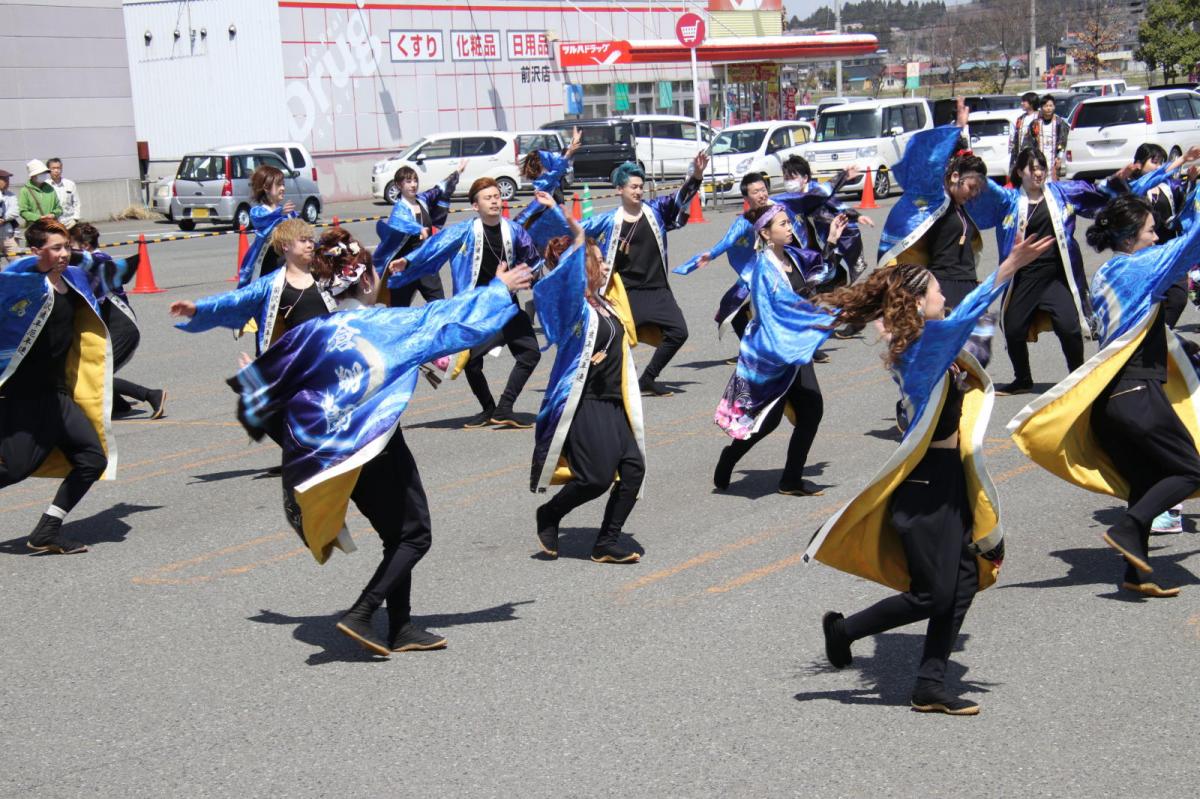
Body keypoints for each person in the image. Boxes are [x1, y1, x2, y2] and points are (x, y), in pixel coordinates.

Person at [228, 258, 532, 656]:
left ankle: (402, 627)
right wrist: (499, 290)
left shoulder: (314, 331)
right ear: (367, 279)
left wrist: (253, 377)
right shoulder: (381, 323)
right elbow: (443, 318)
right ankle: (362, 612)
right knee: (416, 535)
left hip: (345, 457)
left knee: (397, 536)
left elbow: (267, 379)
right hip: (379, 445)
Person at [808, 234, 1054, 715]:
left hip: (947, 477)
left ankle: (929, 684)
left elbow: (963, 332)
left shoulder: (926, 345)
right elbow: (966, 319)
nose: (946, 296)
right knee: (932, 593)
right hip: (925, 487)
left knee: (960, 586)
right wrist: (1007, 268)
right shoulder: (924, 347)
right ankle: (846, 630)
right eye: (938, 290)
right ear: (920, 303)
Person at [1009, 185, 1200, 598]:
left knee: (1146, 484)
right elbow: (1191, 246)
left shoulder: (1107, 273)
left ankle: (1135, 575)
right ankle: (1127, 529)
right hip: (1136, 394)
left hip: (1110, 401)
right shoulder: (1141, 267)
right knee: (1190, 470)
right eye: (1150, 230)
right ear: (1131, 237)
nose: (1155, 237)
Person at [969, 145, 1197, 395]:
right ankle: (1022, 379)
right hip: (1023, 276)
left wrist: (1179, 162)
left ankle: (1078, 376)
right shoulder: (1008, 201)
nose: (1038, 173)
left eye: (1042, 167)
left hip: (1057, 275)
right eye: (1032, 168)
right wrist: (970, 169)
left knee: (1070, 328)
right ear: (1019, 171)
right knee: (1013, 328)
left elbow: (1111, 192)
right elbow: (977, 193)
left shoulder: (1063, 192)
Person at [528, 194, 645, 564]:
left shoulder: (604, 301)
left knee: (632, 470)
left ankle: (605, 543)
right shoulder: (573, 307)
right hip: (585, 401)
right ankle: (550, 514)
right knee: (594, 478)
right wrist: (575, 230)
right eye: (598, 259)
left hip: (613, 399)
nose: (604, 262)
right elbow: (552, 284)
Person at [712, 204, 848, 496]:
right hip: (773, 353)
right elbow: (778, 310)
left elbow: (819, 276)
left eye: (789, 222)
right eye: (783, 224)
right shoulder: (762, 268)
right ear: (765, 233)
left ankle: (791, 480)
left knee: (811, 411)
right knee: (767, 421)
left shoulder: (794, 257)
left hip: (796, 348)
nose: (790, 228)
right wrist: (820, 320)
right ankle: (729, 457)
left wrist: (833, 240)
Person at [387, 177, 543, 429]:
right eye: (487, 198)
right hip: (476, 309)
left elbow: (533, 260)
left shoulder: (514, 231)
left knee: (530, 354)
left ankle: (504, 408)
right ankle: (488, 408)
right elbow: (436, 246)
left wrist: (533, 276)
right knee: (471, 361)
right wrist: (409, 261)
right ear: (475, 205)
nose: (494, 201)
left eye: (496, 196)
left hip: (506, 305)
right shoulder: (466, 231)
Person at [0, 219, 115, 554]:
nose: (64, 254)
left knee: (93, 459)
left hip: (58, 394)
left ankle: (47, 530)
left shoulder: (75, 279)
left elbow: (106, 274)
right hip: (23, 395)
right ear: (37, 252)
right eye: (56, 248)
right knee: (17, 468)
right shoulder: (21, 287)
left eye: (66, 246)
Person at [578, 153, 708, 396]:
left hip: (658, 289)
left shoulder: (655, 210)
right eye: (633, 187)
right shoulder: (608, 220)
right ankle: (592, 384)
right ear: (619, 189)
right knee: (613, 340)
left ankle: (647, 378)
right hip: (626, 293)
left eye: (641, 186)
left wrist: (697, 176)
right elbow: (575, 231)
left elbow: (681, 198)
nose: (638, 191)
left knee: (679, 332)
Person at [69, 223, 165, 419]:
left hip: (123, 327)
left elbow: (88, 264)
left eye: (70, 246)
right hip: (111, 326)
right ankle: (118, 406)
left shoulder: (100, 262)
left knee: (97, 374)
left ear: (85, 246)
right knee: (91, 369)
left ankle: (151, 394)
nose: (68, 252)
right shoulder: (88, 263)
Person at [373, 158, 466, 308]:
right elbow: (400, 221)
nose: (413, 185)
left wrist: (457, 172)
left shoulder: (423, 200)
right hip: (403, 265)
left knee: (439, 305)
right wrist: (418, 229)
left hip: (425, 262)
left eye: (415, 181)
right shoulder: (399, 209)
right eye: (408, 181)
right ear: (398, 185)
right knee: (399, 310)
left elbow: (440, 188)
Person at [236, 165, 297, 287]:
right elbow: (262, 221)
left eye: (283, 184)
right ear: (266, 187)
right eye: (279, 184)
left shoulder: (287, 213)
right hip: (268, 264)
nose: (283, 188)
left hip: (287, 264)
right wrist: (280, 214)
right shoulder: (259, 212)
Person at [1026, 95, 1071, 181]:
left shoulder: (1059, 123)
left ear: (1054, 107)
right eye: (1046, 106)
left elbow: (1063, 141)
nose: (1048, 108)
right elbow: (1030, 142)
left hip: (1054, 159)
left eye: (1051, 106)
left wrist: (1059, 157)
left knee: (1053, 182)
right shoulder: (1035, 124)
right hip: (1039, 158)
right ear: (1041, 108)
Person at [18, 160, 62, 229]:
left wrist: (53, 214)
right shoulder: (25, 190)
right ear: (32, 175)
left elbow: (59, 208)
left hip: (50, 227)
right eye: (40, 173)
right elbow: (23, 211)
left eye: (44, 172)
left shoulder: (50, 188)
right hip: (34, 229)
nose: (43, 175)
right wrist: (38, 218)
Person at [1008, 92, 1040, 171]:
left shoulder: (1040, 117)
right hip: (1022, 154)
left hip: (1036, 153)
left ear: (1031, 103)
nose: (1022, 103)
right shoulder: (1021, 119)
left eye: (1024, 101)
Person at [47, 158, 80, 229]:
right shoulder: (45, 185)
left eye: (58, 168)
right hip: (53, 224)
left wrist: (75, 219)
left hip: (69, 222)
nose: (56, 170)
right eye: (53, 168)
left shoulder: (70, 184)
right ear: (48, 170)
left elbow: (76, 203)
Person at [0, 169, 20, 262]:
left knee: (16, 261)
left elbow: (15, 211)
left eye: (8, 180)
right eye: (5, 180)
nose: (7, 182)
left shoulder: (11, 195)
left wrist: (4, 219)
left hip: (8, 235)